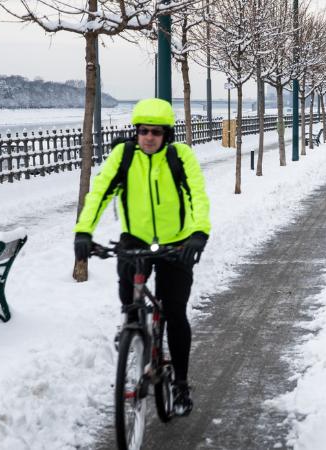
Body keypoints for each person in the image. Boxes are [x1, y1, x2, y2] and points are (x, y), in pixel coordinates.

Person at [73, 98, 211, 416]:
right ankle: (133, 326)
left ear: (167, 135)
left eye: (156, 132)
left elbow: (198, 196)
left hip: (177, 244)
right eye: (143, 131)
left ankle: (180, 384)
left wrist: (198, 234)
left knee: (174, 312)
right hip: (135, 239)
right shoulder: (123, 156)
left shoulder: (180, 157)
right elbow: (99, 192)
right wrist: (83, 232)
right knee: (128, 289)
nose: (149, 137)